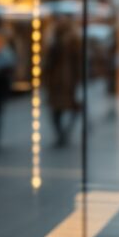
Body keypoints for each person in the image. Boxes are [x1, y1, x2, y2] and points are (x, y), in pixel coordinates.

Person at [44, 15, 82, 147]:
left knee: (68, 108)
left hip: (66, 81)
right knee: (56, 111)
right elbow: (48, 61)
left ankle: (64, 133)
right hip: (58, 81)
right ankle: (62, 134)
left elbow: (77, 61)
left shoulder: (71, 40)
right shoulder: (54, 40)